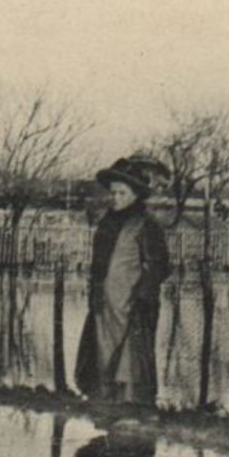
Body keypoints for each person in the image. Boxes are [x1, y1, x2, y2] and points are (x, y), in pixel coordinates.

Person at [75, 158, 170, 407]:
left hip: (131, 305)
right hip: (107, 304)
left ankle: (133, 408)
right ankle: (107, 406)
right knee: (103, 352)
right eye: (113, 192)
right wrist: (96, 289)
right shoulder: (107, 224)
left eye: (122, 193)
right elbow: (98, 264)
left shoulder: (146, 225)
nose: (115, 197)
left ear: (136, 195)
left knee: (131, 359)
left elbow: (160, 266)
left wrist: (143, 297)